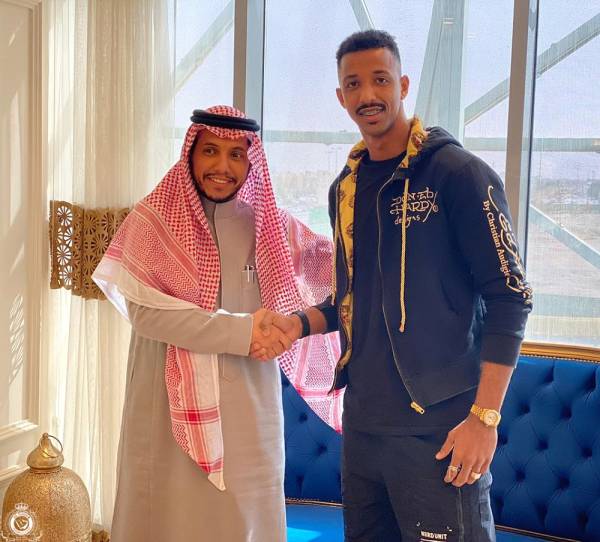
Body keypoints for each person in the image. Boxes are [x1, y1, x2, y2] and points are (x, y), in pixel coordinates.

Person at [263, 30, 533, 541]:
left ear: (403, 85)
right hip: (364, 427)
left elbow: (511, 297)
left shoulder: (458, 174)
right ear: (341, 96)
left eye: (380, 80)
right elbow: (352, 297)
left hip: (442, 428)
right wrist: (296, 324)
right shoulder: (345, 189)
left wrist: (484, 418)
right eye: (354, 84)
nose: (368, 95)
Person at [92, 105, 341, 542]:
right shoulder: (154, 220)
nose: (222, 166)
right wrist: (243, 332)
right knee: (167, 518)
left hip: (248, 404)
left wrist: (298, 323)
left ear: (251, 161)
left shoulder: (270, 226)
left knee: (242, 517)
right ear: (190, 153)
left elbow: (340, 272)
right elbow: (147, 314)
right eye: (210, 151)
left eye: (235, 155)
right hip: (165, 403)